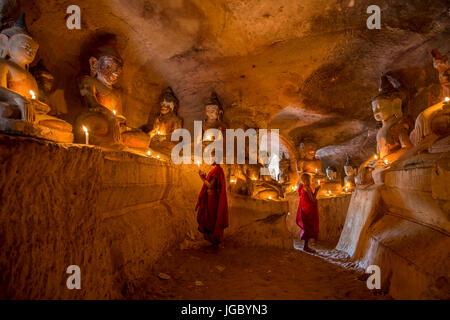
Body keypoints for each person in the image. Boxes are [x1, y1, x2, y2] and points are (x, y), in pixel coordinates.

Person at [195, 160, 229, 246]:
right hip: (211, 197)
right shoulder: (216, 169)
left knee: (211, 218)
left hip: (213, 199)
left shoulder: (217, 170)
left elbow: (210, 186)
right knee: (209, 217)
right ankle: (213, 241)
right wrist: (205, 178)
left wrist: (202, 178)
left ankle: (215, 241)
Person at [296, 173, 320, 253]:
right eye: (310, 180)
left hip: (304, 210)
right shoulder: (307, 188)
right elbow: (312, 200)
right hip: (308, 211)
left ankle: (306, 246)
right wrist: (316, 190)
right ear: (306, 180)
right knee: (308, 228)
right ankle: (306, 247)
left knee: (307, 228)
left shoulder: (301, 187)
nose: (311, 181)